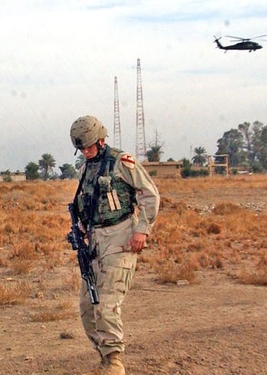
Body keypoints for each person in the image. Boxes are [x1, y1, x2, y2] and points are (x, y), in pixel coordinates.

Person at [69, 115, 160, 375]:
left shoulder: (122, 162)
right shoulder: (86, 168)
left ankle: (114, 361)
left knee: (106, 303)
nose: (86, 152)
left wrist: (142, 229)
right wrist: (83, 225)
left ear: (101, 139)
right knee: (88, 308)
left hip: (120, 238)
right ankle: (104, 355)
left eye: (89, 146)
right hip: (95, 242)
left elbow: (150, 195)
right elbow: (87, 202)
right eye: (81, 148)